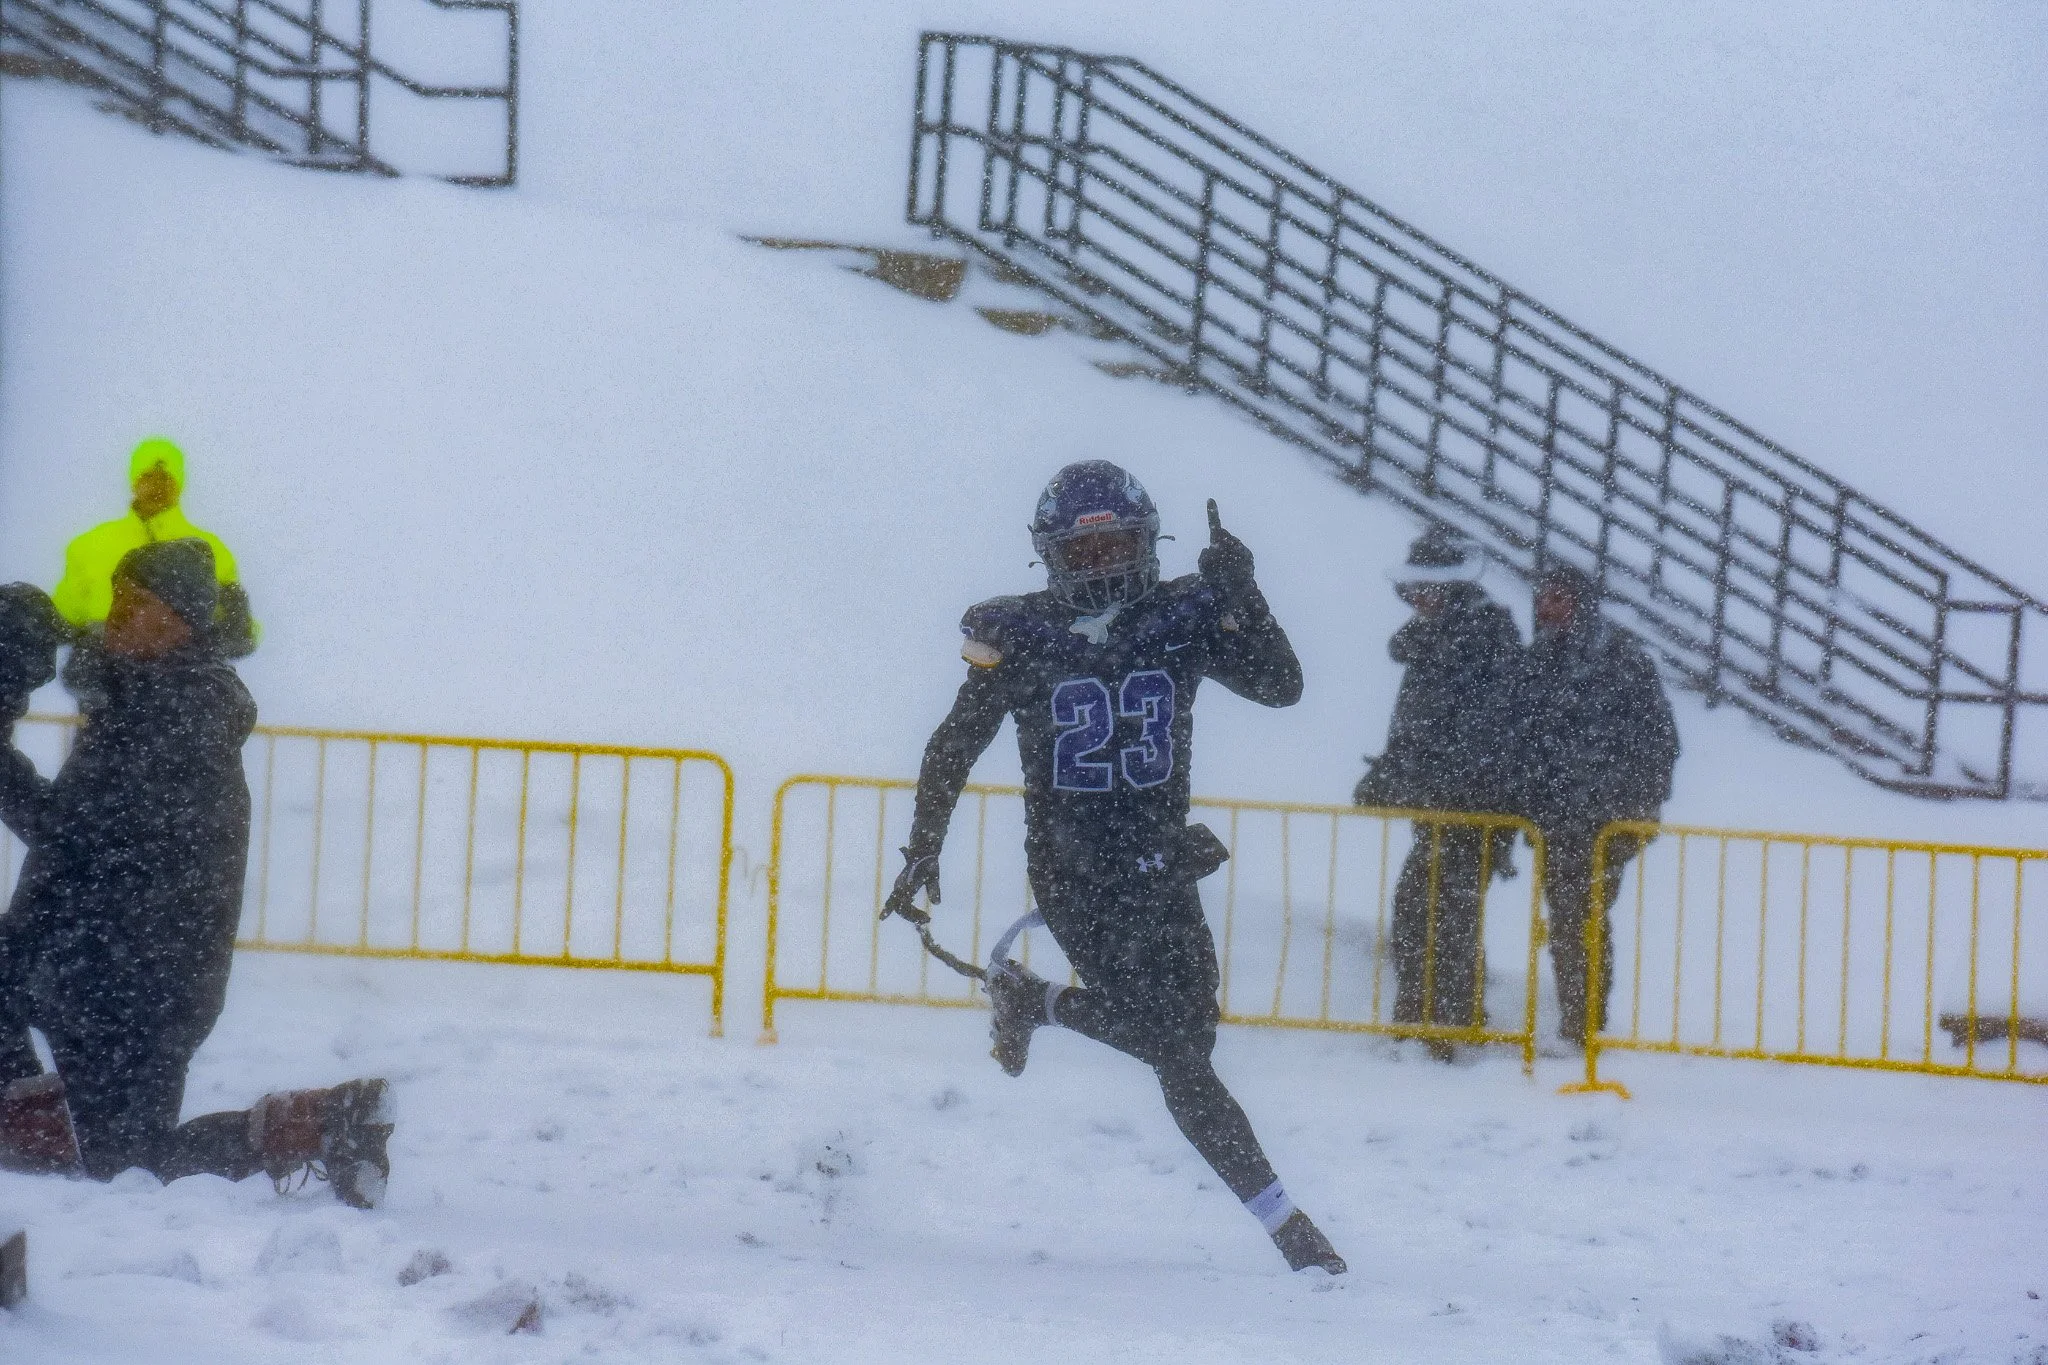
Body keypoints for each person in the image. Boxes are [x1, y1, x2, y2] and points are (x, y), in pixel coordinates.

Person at [883, 460, 1346, 1275]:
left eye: (1115, 548)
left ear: (1146, 543)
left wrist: (1246, 596)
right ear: (1052, 555)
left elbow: (1282, 685)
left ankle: (1035, 1000)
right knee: (1177, 1054)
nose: (1100, 568)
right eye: (1084, 553)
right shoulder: (1023, 635)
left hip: (1159, 859)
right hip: (1075, 869)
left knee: (1189, 1038)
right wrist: (925, 842)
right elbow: (954, 743)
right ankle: (1293, 1234)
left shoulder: (1178, 618)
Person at [0, 546, 390, 1205]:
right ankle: (317, 1122)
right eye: (116, 599)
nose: (116, 616)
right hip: (101, 965)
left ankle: (317, 1123)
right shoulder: (143, 701)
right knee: (122, 1155)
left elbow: (72, 834)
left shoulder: (179, 714)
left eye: (136, 604)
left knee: (127, 1164)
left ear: (179, 621)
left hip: (131, 985)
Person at [1352, 526, 1522, 1059]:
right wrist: (1391, 772)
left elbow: (1483, 734)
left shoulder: (1484, 641)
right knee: (1420, 910)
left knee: (1447, 916)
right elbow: (1420, 728)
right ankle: (1425, 1015)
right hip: (1441, 807)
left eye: (1427, 585)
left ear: (1452, 586)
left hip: (1475, 810)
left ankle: (1447, 1024)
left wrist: (1429, 781)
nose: (1417, 596)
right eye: (1412, 586)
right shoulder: (1436, 642)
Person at [1516, 562, 1678, 1047]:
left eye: (1558, 598)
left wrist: (1632, 805)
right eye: (1542, 598)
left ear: (1581, 605)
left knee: (1578, 917)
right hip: (1558, 819)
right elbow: (1526, 737)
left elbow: (1659, 741)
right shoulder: (1539, 662)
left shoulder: (1621, 661)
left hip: (1606, 819)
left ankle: (1584, 1022)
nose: (1547, 608)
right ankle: (1582, 1018)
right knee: (1572, 918)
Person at [52, 436, 257, 658]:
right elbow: (66, 617)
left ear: (179, 486)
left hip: (181, 667)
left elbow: (238, 632)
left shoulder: (211, 550)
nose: (158, 487)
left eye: (166, 478)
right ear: (134, 482)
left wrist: (237, 626)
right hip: (109, 667)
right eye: (148, 477)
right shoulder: (90, 545)